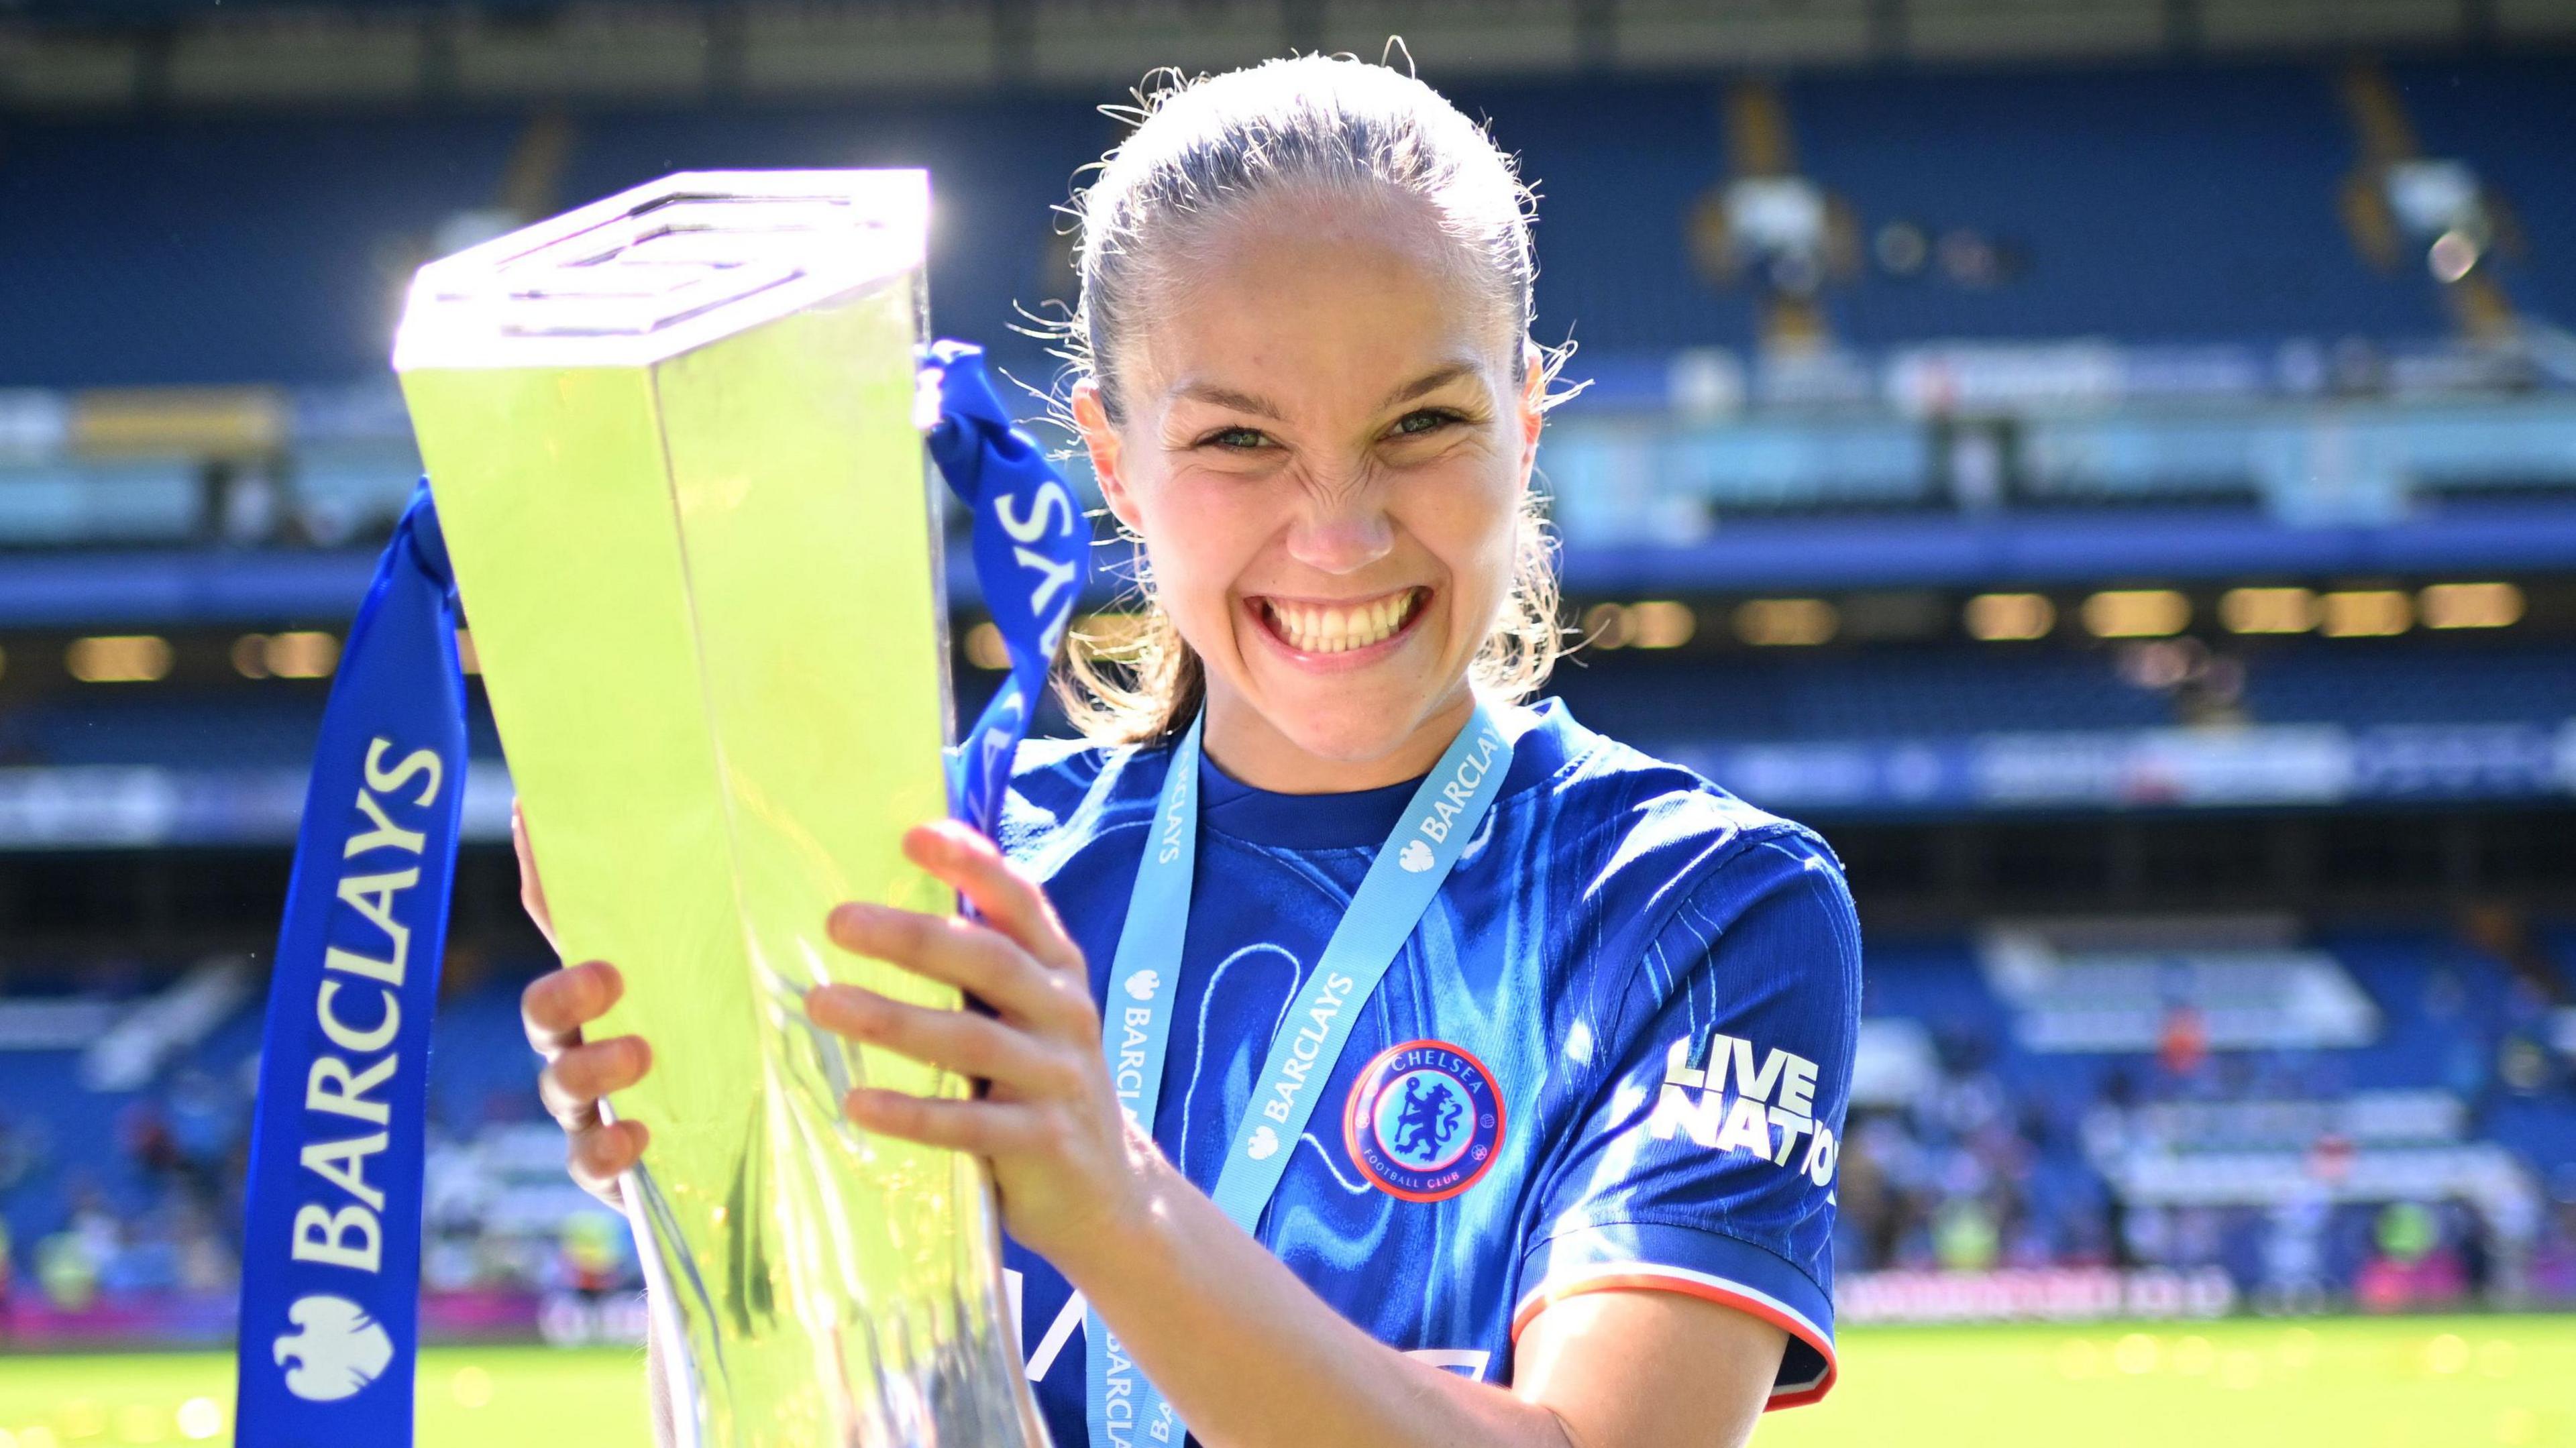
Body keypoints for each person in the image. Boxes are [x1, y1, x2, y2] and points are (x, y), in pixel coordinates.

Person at [517, 54, 1860, 1448]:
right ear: (1113, 461)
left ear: (1525, 424)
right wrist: (722, 1191)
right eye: (1237, 438)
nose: (1339, 531)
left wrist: (1115, 1208)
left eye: (1424, 422)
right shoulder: (952, 886)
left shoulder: (1697, 903)